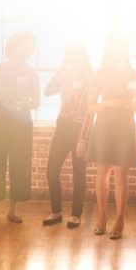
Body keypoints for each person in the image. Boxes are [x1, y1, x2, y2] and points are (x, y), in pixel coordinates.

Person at [0, 31, 40, 224]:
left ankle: (13, 210)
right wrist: (0, 97)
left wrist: (25, 103)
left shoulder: (32, 72)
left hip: (22, 119)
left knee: (19, 164)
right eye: (25, 46)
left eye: (30, 48)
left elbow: (37, 101)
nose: (28, 51)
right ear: (14, 47)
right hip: (1, 118)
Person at [86, 37, 136, 239]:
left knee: (121, 175)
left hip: (125, 127)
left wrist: (133, 105)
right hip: (104, 126)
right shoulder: (99, 76)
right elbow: (90, 107)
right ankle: (101, 218)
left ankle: (119, 219)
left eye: (121, 48)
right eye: (113, 48)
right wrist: (109, 102)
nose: (117, 52)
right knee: (101, 173)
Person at [43, 44, 94, 229]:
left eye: (71, 58)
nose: (69, 61)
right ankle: (56, 211)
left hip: (80, 128)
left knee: (79, 172)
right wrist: (61, 71)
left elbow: (90, 112)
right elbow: (47, 91)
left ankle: (75, 214)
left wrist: (84, 138)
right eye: (67, 58)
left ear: (81, 58)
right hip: (62, 126)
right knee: (51, 172)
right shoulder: (65, 77)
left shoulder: (90, 79)